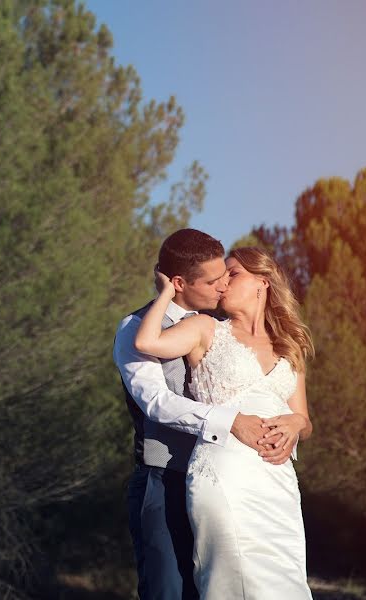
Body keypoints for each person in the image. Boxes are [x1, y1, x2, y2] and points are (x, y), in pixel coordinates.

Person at [112, 229, 292, 600]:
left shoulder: (219, 325)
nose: (223, 285)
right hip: (165, 479)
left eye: (226, 275)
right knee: (169, 591)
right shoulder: (135, 327)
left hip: (229, 482)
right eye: (213, 280)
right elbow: (157, 403)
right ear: (178, 282)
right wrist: (231, 422)